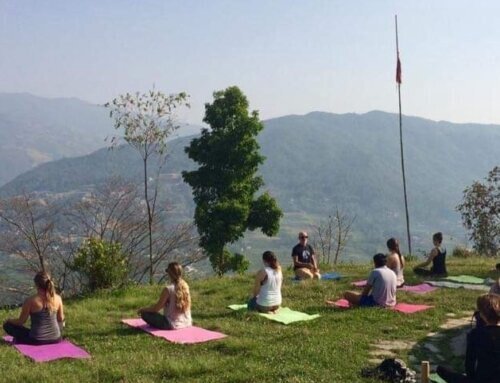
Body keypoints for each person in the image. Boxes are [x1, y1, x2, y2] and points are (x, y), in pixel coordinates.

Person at [436, 294, 500, 383]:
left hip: (481, 380)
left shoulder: (476, 334)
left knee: (441, 370)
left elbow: (469, 366)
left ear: (481, 314)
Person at [3, 271, 64, 345]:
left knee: (7, 325)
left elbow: (21, 321)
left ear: (36, 285)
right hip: (56, 338)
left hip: (36, 340)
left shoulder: (30, 301)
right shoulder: (58, 298)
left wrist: (9, 320)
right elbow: (60, 318)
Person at [138, 262, 192, 330]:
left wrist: (143, 309)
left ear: (169, 274)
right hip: (187, 322)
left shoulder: (168, 289)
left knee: (144, 313)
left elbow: (156, 309)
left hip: (171, 324)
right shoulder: (186, 286)